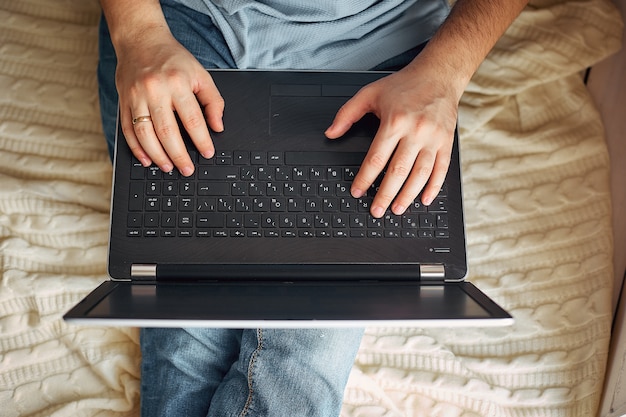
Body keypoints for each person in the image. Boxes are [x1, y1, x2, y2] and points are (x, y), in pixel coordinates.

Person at [96, 1, 528, 416]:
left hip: (383, 41)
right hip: (189, 25)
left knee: (307, 355)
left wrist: (443, 76)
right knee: (186, 332)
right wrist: (139, 35)